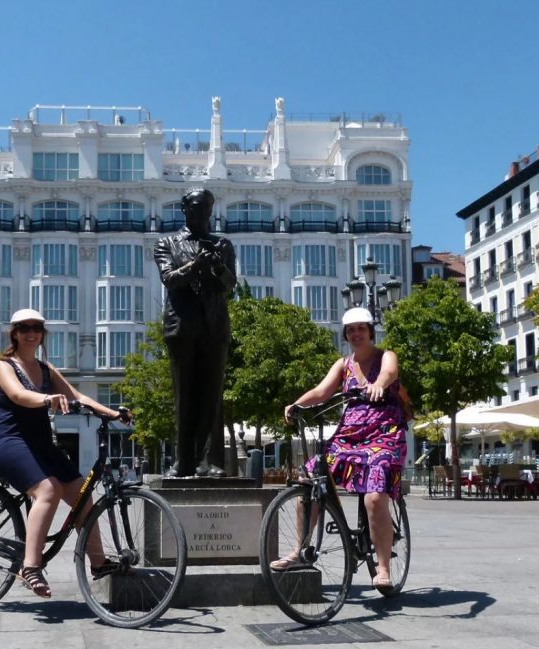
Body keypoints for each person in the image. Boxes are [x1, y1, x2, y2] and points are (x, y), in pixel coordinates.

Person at [0, 308, 130, 598]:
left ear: (42, 333)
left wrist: (113, 413)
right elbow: (17, 395)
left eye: (36, 327)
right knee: (48, 490)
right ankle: (30, 566)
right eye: (24, 328)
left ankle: (98, 564)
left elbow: (79, 396)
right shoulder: (5, 365)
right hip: (5, 440)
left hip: (39, 443)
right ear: (15, 332)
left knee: (81, 494)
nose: (31, 332)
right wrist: (46, 398)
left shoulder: (47, 369)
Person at [271, 306, 408, 590]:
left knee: (374, 496)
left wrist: (379, 385)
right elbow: (322, 392)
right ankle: (300, 550)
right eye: (350, 330)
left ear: (370, 330)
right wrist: (296, 404)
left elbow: (390, 373)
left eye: (361, 328)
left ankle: (383, 569)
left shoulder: (386, 356)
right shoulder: (342, 364)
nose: (356, 334)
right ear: (346, 335)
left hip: (384, 433)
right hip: (349, 436)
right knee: (309, 482)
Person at [153, 188, 237, 477]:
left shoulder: (222, 244)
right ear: (185, 209)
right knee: (185, 396)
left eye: (207, 209)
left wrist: (216, 268)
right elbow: (169, 279)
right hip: (182, 328)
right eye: (198, 208)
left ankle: (208, 461)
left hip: (214, 328)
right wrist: (196, 265)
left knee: (211, 396)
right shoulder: (167, 242)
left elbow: (229, 285)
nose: (203, 214)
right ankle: (183, 461)